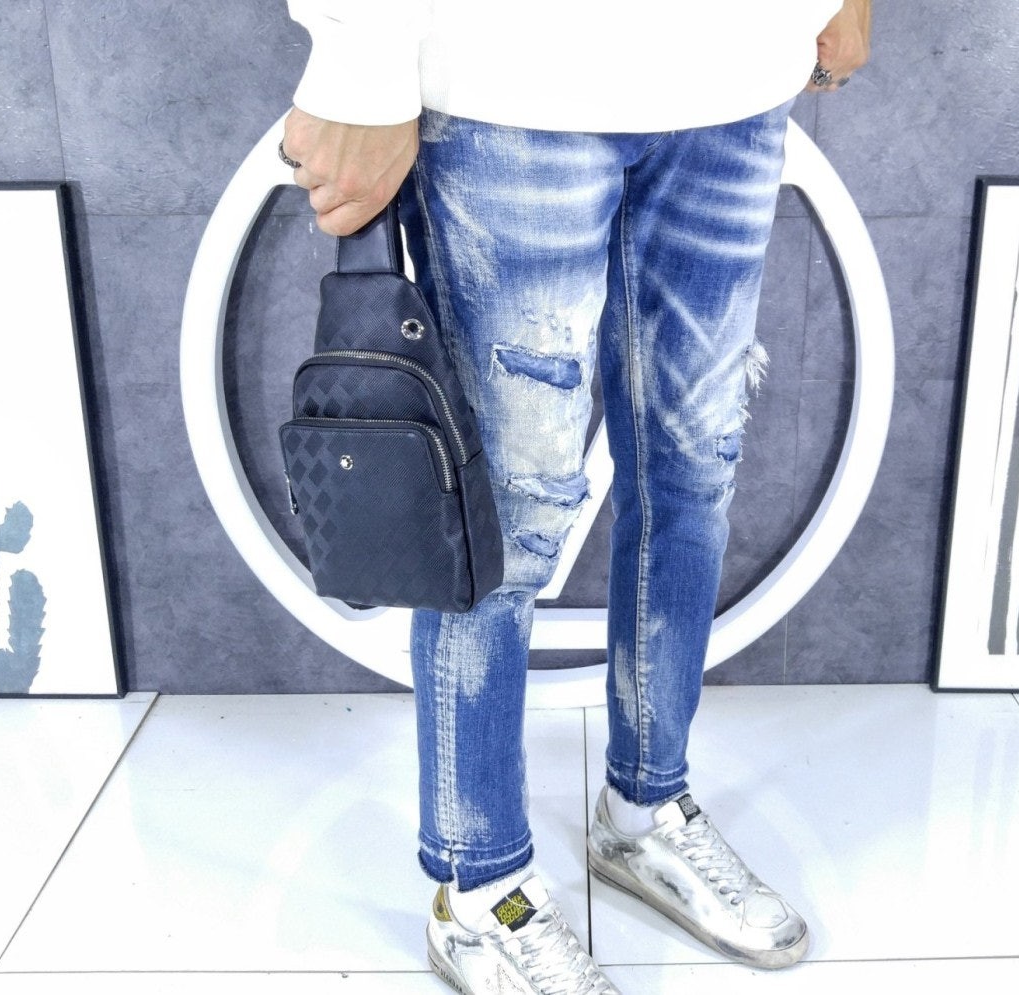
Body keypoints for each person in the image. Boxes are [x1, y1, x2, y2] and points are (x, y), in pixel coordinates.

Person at [282, 3, 871, 991]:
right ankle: (481, 888)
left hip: (738, 69)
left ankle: (645, 808)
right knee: (503, 516)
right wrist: (360, 59)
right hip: (514, 74)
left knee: (694, 466)